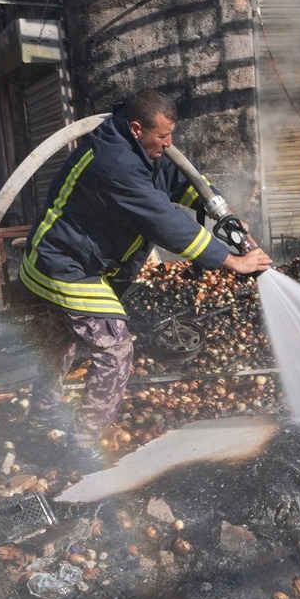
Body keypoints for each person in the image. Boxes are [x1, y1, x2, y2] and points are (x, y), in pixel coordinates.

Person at [19, 88, 273, 470]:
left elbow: (181, 178)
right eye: (162, 137)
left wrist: (221, 212)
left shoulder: (140, 148)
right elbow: (165, 222)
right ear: (137, 128)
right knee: (115, 350)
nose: (169, 145)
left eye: (171, 136)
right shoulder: (115, 163)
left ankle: (42, 412)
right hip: (64, 264)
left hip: (84, 263)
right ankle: (80, 446)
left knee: (64, 339)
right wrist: (230, 261)